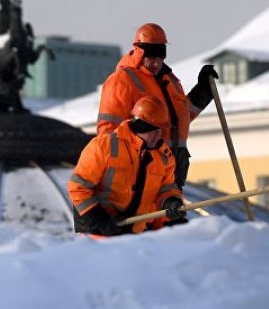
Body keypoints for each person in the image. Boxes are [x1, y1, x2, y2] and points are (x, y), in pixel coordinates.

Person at [97, 22, 218, 189]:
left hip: (173, 170)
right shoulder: (122, 81)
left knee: (169, 213)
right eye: (151, 57)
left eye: (160, 57)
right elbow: (108, 132)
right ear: (139, 52)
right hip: (142, 171)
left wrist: (203, 90)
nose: (156, 63)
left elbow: (182, 117)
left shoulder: (170, 81)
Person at [68, 96, 186, 236]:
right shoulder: (103, 147)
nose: (158, 136)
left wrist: (171, 202)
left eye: (160, 131)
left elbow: (166, 189)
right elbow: (78, 188)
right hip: (100, 235)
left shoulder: (164, 156)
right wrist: (100, 220)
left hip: (137, 237)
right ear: (140, 127)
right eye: (153, 131)